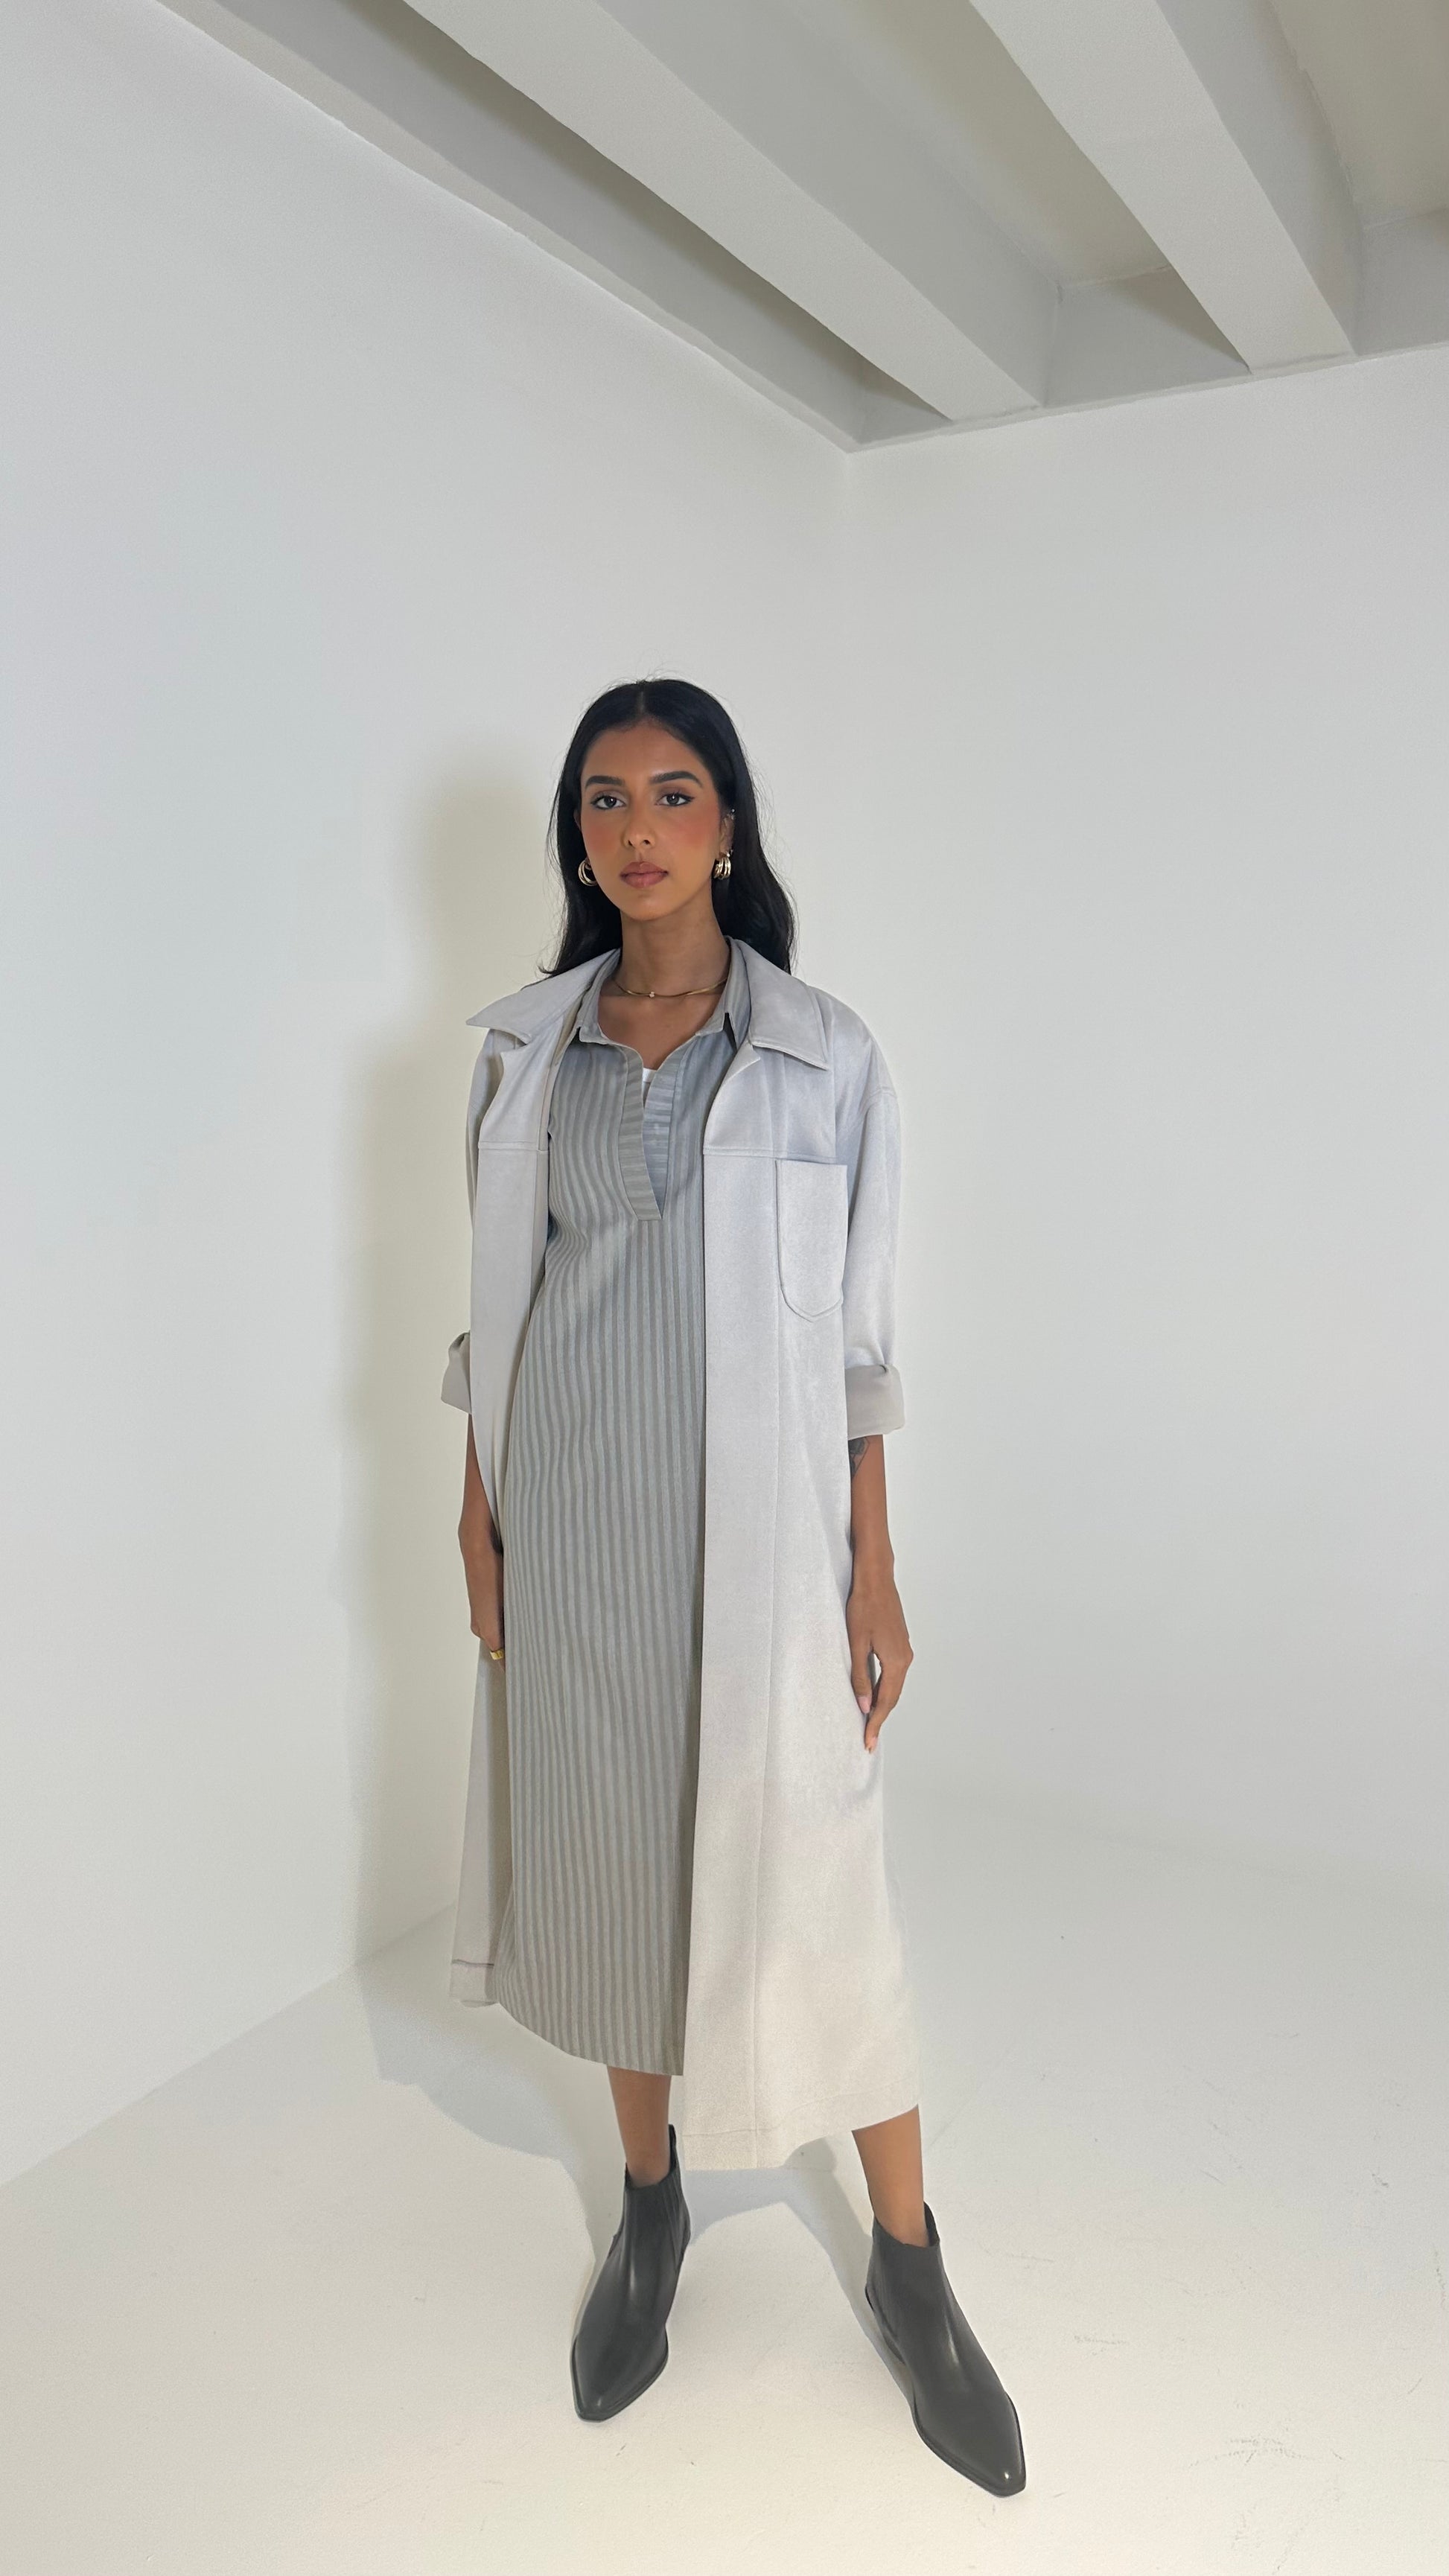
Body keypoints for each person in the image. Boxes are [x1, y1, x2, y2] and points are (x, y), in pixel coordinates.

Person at [442, 678, 1025, 2493]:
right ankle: (651, 2203)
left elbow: (858, 1339)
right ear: (579, 834)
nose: (637, 828)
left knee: (825, 1888)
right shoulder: (526, 1051)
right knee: (619, 1866)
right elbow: (497, 1303)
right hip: (580, 1525)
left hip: (767, 1542)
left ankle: (910, 2261)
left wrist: (874, 1562)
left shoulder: (823, 1053)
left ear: (727, 824)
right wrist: (478, 1511)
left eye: (674, 792)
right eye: (606, 797)